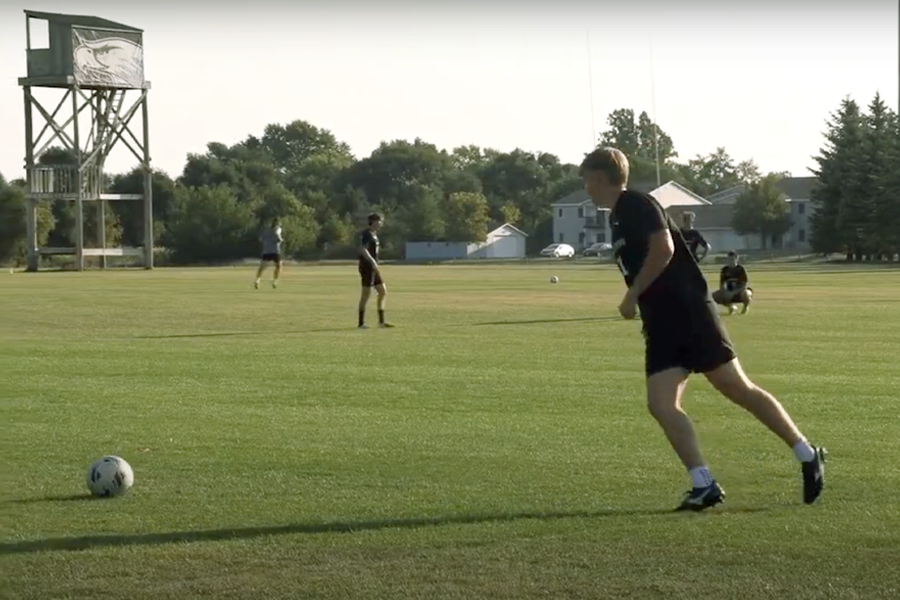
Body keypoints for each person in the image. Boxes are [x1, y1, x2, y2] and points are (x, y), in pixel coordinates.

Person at [580, 147, 825, 511]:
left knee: (737, 388)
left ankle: (807, 454)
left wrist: (631, 295)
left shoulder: (636, 204)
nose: (585, 187)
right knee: (661, 404)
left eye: (586, 179)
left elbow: (663, 249)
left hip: (689, 313)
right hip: (662, 324)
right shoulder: (617, 217)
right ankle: (703, 483)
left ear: (600, 177)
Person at [358, 213, 393, 329]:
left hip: (374, 268)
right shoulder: (366, 234)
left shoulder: (374, 234)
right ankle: (361, 323)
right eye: (380, 221)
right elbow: (363, 249)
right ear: (373, 221)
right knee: (366, 295)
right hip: (367, 267)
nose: (381, 224)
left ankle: (381, 322)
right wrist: (372, 261)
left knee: (382, 291)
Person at [254, 218, 283, 289]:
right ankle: (274, 281)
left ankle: (257, 280)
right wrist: (281, 240)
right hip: (275, 251)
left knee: (262, 267)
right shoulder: (278, 229)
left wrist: (266, 242)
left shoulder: (266, 230)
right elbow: (278, 238)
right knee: (278, 266)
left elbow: (260, 239)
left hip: (266, 251)